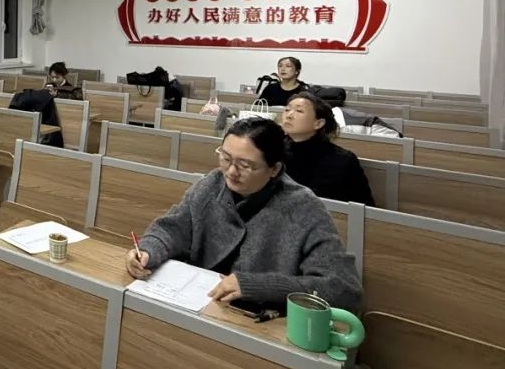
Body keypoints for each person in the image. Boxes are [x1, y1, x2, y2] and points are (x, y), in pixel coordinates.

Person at [125, 117, 361, 313]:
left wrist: (259, 286)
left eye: (245, 165)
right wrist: (147, 250)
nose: (231, 171)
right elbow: (172, 228)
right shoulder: (212, 184)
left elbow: (343, 289)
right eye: (225, 158)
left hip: (260, 323)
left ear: (274, 169)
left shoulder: (304, 208)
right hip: (198, 307)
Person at [282, 91, 376, 205]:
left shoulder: (343, 160)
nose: (289, 115)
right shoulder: (272, 150)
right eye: (287, 109)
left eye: (299, 111)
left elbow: (363, 205)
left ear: (318, 123)